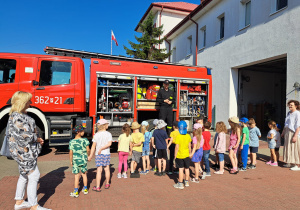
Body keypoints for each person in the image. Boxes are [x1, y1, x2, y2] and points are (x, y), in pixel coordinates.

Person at [8, 91, 51, 210]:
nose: (30, 102)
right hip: (24, 152)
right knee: (34, 175)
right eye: (28, 101)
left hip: (22, 151)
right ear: (23, 102)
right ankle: (34, 205)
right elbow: (24, 135)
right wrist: (37, 139)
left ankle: (19, 201)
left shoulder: (17, 115)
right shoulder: (18, 117)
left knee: (24, 175)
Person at [88, 119, 112, 192]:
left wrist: (90, 156)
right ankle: (107, 183)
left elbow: (93, 146)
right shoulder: (108, 134)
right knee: (107, 169)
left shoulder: (96, 135)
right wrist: (102, 148)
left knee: (99, 170)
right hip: (106, 153)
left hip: (98, 154)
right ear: (105, 125)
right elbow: (109, 144)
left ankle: (98, 186)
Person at [69, 125, 90, 198]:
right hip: (84, 159)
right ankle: (85, 189)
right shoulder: (85, 140)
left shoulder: (71, 142)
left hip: (75, 160)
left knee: (76, 175)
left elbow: (71, 153)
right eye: (82, 131)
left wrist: (71, 161)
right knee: (84, 174)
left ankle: (76, 191)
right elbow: (88, 150)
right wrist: (88, 156)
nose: (84, 132)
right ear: (79, 132)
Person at [282, 100, 300, 171]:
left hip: (294, 132)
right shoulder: (288, 113)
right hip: (287, 132)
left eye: (291, 105)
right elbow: (286, 123)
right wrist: (283, 132)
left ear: (296, 106)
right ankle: (290, 162)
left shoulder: (297, 113)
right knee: (288, 147)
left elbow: (298, 126)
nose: (289, 106)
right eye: (289, 105)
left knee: (295, 148)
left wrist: (295, 136)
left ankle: (297, 165)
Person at [173, 121, 192, 189]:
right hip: (186, 154)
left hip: (180, 155)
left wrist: (175, 155)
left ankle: (180, 183)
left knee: (181, 169)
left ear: (178, 128)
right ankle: (186, 181)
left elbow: (176, 147)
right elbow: (189, 146)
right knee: (187, 169)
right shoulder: (188, 136)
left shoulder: (178, 137)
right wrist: (190, 153)